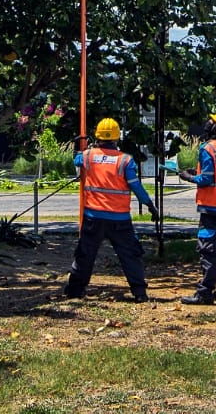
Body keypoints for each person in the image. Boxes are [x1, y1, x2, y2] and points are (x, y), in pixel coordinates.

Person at [63, 118, 157, 302]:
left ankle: (75, 290)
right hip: (119, 219)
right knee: (130, 255)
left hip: (93, 217)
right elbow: (136, 187)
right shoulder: (125, 161)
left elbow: (76, 159)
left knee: (85, 255)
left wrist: (77, 145)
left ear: (97, 136)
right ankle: (139, 293)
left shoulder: (88, 156)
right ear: (117, 137)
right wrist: (149, 205)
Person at [178, 110, 216, 305]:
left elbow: (206, 179)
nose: (208, 122)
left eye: (212, 120)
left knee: (209, 251)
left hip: (211, 207)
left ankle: (204, 293)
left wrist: (188, 177)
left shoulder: (208, 148)